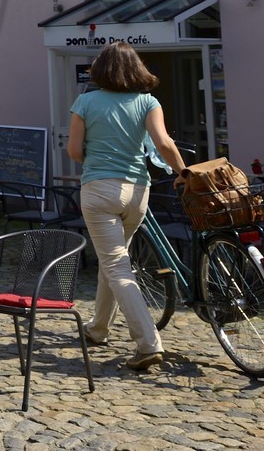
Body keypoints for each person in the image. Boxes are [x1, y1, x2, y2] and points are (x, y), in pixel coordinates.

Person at [67, 41, 186, 371]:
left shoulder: (85, 102)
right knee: (115, 261)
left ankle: (148, 343)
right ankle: (98, 329)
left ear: (101, 70)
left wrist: (96, 155)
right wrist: (183, 173)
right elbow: (163, 144)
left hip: (99, 190)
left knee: (117, 266)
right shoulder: (148, 102)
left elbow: (74, 151)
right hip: (137, 192)